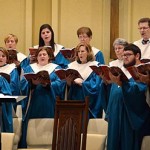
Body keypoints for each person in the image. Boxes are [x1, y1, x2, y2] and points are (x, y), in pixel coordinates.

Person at [99, 43, 150, 150]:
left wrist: (123, 84)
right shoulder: (121, 71)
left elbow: (138, 91)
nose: (125, 57)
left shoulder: (142, 72)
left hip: (129, 117)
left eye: (128, 55)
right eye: (124, 55)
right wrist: (106, 82)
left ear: (137, 56)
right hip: (115, 114)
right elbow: (112, 93)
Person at [19, 46, 65, 148]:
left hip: (50, 102)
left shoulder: (56, 68)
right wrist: (33, 83)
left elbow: (60, 84)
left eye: (44, 54)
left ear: (49, 57)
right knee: (32, 131)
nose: (42, 56)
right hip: (33, 103)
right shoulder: (29, 68)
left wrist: (48, 84)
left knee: (49, 129)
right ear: (36, 57)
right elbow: (22, 84)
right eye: (40, 55)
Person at [65, 42, 102, 118]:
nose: (80, 54)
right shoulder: (71, 66)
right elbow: (64, 85)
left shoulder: (95, 66)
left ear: (88, 52)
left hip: (87, 101)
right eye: (78, 52)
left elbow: (96, 86)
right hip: (74, 99)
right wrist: (68, 83)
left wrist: (83, 83)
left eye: (82, 51)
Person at [0, 47, 20, 111]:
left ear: (7, 58)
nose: (1, 58)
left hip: (5, 101)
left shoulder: (12, 69)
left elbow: (14, 87)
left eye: (3, 56)